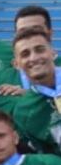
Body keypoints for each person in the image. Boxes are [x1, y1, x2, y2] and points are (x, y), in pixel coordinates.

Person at [10, 27, 61, 156]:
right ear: (16, 64)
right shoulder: (23, 111)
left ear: (53, 53)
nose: (34, 58)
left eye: (40, 50)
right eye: (25, 54)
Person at [0, 6, 61, 87]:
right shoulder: (3, 78)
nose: (30, 36)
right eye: (23, 32)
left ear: (50, 33)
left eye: (37, 30)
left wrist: (25, 95)